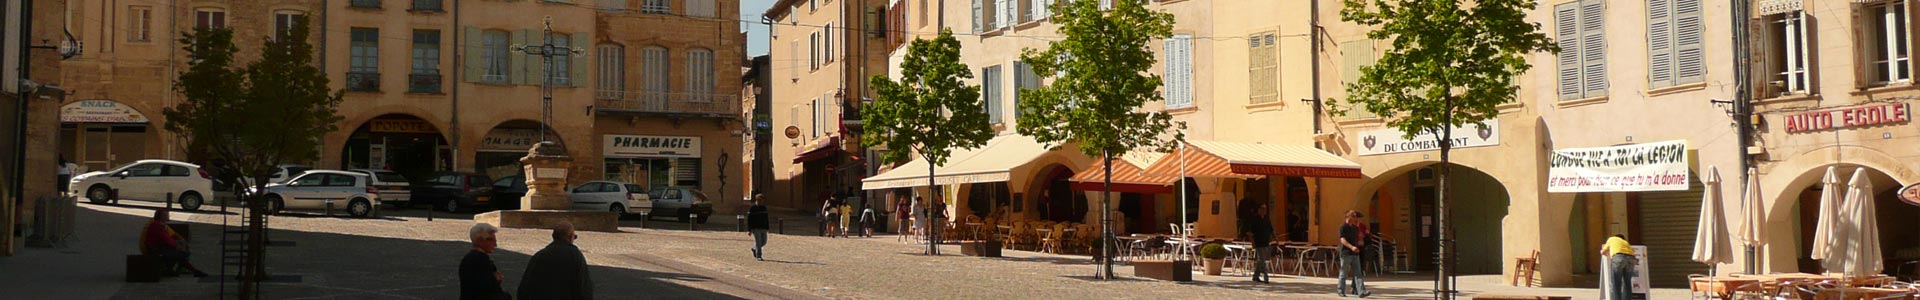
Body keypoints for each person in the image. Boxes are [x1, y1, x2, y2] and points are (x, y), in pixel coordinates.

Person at [518, 222, 593, 300]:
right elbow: (584, 288)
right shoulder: (576, 256)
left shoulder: (540, 255)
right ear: (571, 237)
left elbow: (525, 286)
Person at [141, 209, 209, 277]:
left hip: (158, 248)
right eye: (166, 215)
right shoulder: (157, 226)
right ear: (161, 217)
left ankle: (190, 271)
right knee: (181, 254)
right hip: (154, 250)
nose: (168, 216)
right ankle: (191, 271)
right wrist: (177, 245)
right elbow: (166, 239)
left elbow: (169, 237)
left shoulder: (159, 225)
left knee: (179, 254)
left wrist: (178, 242)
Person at [460, 223, 510, 300]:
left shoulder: (471, 258)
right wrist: (496, 279)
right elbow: (485, 286)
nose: (495, 244)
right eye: (492, 240)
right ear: (480, 240)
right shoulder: (479, 260)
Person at [1337, 210, 1370, 298]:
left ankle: (1361, 291)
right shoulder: (1342, 227)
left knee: (1358, 273)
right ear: (1348, 217)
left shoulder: (1355, 228)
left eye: (1355, 216)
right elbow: (1342, 240)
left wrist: (1359, 245)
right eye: (1354, 216)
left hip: (1355, 254)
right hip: (1345, 253)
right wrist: (1351, 247)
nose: (1355, 218)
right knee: (1344, 273)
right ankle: (1341, 290)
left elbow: (1357, 239)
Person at [1601, 234, 1636, 300]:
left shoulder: (1611, 239)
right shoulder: (1625, 242)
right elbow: (1633, 251)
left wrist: (1607, 254)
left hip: (1618, 258)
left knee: (1616, 282)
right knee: (1627, 282)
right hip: (1631, 259)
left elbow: (1603, 251)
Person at [1248, 202, 1275, 283]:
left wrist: (1275, 237)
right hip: (1258, 242)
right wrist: (1253, 242)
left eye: (1265, 209)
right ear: (1259, 210)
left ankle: (1255, 276)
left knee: (1260, 260)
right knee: (1262, 259)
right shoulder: (1254, 219)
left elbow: (1271, 229)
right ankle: (1266, 276)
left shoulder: (1267, 218)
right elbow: (1250, 232)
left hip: (1266, 242)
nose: (1264, 210)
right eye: (1262, 209)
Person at [747, 194, 770, 261]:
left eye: (762, 200)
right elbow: (749, 219)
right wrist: (749, 229)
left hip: (763, 227)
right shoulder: (752, 208)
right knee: (758, 242)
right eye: (759, 200)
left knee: (764, 241)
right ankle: (759, 256)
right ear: (757, 200)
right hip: (755, 228)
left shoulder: (764, 208)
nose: (761, 201)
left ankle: (754, 249)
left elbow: (766, 218)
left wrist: (767, 227)